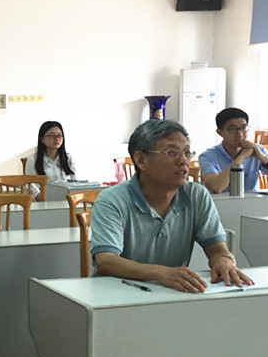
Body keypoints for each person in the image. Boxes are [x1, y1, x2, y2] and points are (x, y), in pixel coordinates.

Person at [90, 119, 253, 293]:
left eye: (187, 153)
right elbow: (106, 261)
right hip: (116, 294)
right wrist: (160, 273)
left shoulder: (196, 195)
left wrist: (224, 260)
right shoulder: (112, 200)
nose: (184, 161)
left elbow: (217, 250)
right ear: (141, 160)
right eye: (172, 153)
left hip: (169, 293)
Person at [199, 107, 268, 193]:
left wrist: (263, 158)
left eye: (244, 128)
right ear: (220, 132)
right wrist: (242, 157)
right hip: (221, 201)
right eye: (233, 129)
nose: (240, 134)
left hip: (252, 201)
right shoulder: (208, 156)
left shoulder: (257, 150)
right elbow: (216, 187)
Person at [25, 121, 76, 200]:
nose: (56, 138)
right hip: (43, 202)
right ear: (42, 139)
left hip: (67, 200)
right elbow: (31, 185)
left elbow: (74, 181)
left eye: (59, 135)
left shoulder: (68, 158)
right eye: (51, 135)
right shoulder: (32, 160)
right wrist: (41, 197)